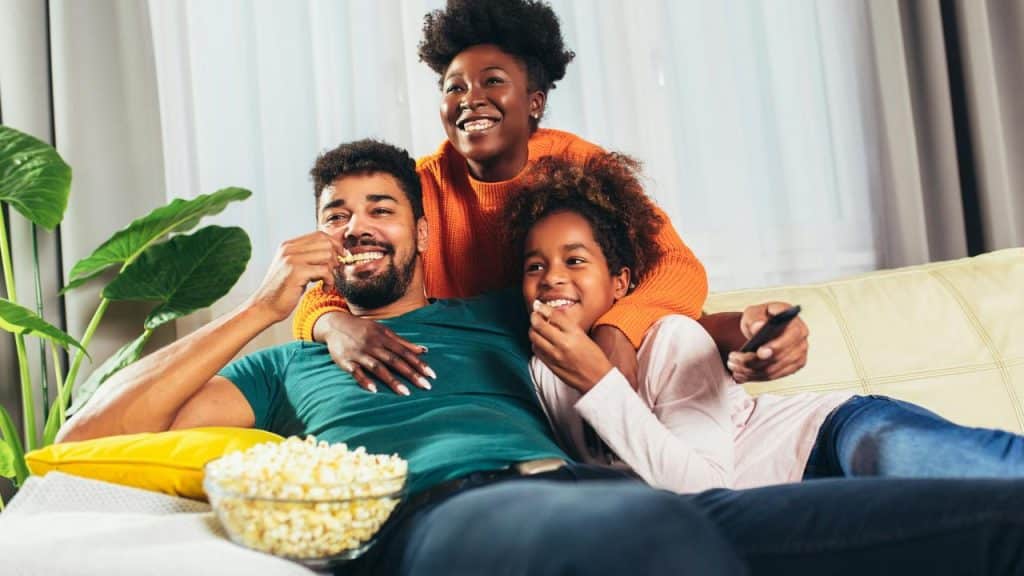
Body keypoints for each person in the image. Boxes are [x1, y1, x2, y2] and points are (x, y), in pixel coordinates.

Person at [59, 140, 1024, 575]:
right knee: (646, 548)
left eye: (380, 209)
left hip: (615, 485)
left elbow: (640, 291)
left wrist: (749, 332)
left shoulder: (500, 316)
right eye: (334, 215)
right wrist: (269, 308)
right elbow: (85, 437)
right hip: (451, 515)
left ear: (423, 235)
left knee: (994, 517)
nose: (356, 228)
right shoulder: (285, 364)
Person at [291, 0, 805, 397]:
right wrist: (335, 324)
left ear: (534, 102)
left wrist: (618, 332)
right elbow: (339, 270)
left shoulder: (579, 166)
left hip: (586, 348)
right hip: (492, 371)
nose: (470, 98)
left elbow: (676, 266)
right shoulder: (419, 188)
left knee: (696, 337)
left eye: (493, 81)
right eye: (453, 87)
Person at [506, 152, 1024, 494]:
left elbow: (705, 490)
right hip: (797, 506)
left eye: (575, 261)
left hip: (826, 438)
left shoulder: (670, 336)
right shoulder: (545, 373)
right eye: (535, 266)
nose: (552, 278)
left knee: (931, 465)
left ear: (619, 283)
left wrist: (599, 381)